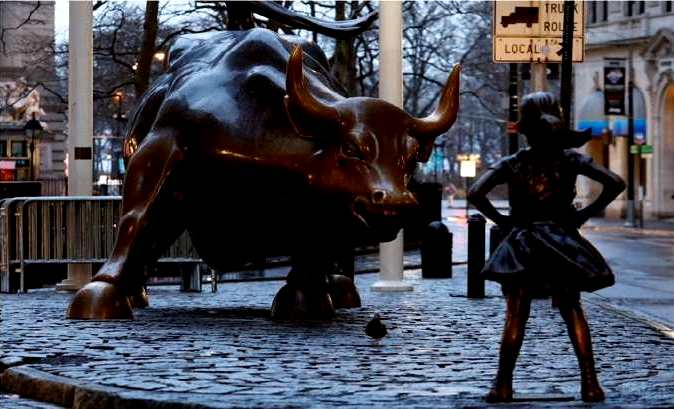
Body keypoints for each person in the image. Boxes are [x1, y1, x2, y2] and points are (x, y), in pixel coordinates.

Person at [467, 92, 625, 403]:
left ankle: (503, 385)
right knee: (572, 308)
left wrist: (504, 220)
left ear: (526, 127)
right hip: (562, 241)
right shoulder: (571, 159)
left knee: (516, 313)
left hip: (523, 241)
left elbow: (475, 192)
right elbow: (616, 182)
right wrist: (583, 215)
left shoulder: (514, 162)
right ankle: (590, 384)